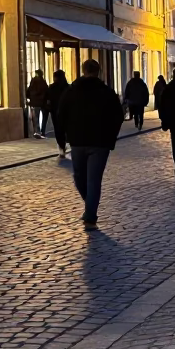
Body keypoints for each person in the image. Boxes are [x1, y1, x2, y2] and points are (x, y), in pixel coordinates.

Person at [56, 59, 123, 229]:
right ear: (98, 72)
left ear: (83, 70)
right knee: (92, 180)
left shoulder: (71, 91)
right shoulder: (106, 92)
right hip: (99, 142)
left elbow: (60, 115)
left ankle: (90, 215)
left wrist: (64, 138)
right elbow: (118, 116)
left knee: (80, 177)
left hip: (79, 141)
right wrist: (111, 137)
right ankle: (90, 209)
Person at [46, 69, 70, 159]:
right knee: (65, 128)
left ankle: (61, 147)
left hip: (55, 111)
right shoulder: (67, 87)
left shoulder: (52, 87)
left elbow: (48, 100)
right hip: (66, 112)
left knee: (58, 129)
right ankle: (64, 145)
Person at [27, 69, 49, 138]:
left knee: (36, 117)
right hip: (43, 103)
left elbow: (28, 91)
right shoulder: (43, 82)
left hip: (35, 102)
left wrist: (30, 99)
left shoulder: (33, 81)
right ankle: (42, 131)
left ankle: (37, 131)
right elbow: (47, 92)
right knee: (44, 117)